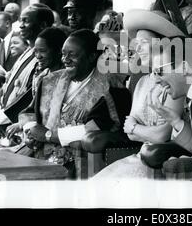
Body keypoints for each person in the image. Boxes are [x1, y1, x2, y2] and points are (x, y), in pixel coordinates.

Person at [92, 9, 190, 179]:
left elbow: (162, 135)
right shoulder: (143, 82)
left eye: (143, 42)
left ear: (163, 44)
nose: (137, 48)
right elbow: (127, 130)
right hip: (139, 157)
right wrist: (137, 130)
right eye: (136, 43)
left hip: (163, 160)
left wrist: (136, 128)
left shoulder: (176, 80)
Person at [19, 29, 124, 177]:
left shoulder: (109, 87)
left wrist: (48, 135)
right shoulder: (50, 80)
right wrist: (30, 132)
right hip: (40, 155)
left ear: (92, 56)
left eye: (72, 55)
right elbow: (30, 113)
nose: (65, 59)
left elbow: (92, 131)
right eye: (63, 54)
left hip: (79, 162)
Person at [0, 3, 54, 133]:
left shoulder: (45, 57)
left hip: (18, 124)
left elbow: (31, 94)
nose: (21, 26)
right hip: (3, 118)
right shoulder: (27, 52)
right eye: (20, 21)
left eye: (26, 21)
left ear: (43, 25)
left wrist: (5, 116)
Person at [5, 27, 67, 139]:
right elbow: (33, 109)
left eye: (42, 51)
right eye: (36, 51)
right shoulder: (41, 77)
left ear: (58, 51)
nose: (38, 56)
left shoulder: (68, 79)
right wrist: (21, 124)